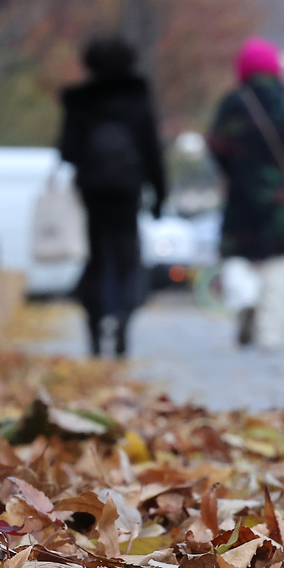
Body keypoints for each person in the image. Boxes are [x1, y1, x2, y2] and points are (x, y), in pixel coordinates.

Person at [59, 37, 167, 358]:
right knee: (126, 257)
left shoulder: (81, 102)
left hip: (92, 189)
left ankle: (94, 329)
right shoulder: (138, 100)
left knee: (96, 256)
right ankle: (122, 317)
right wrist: (160, 194)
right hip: (127, 189)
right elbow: (152, 152)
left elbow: (66, 150)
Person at [207, 38, 284, 349]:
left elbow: (216, 145)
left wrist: (234, 171)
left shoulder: (232, 103)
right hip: (278, 200)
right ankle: (270, 333)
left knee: (237, 256)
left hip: (240, 196)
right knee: (278, 261)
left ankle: (244, 301)